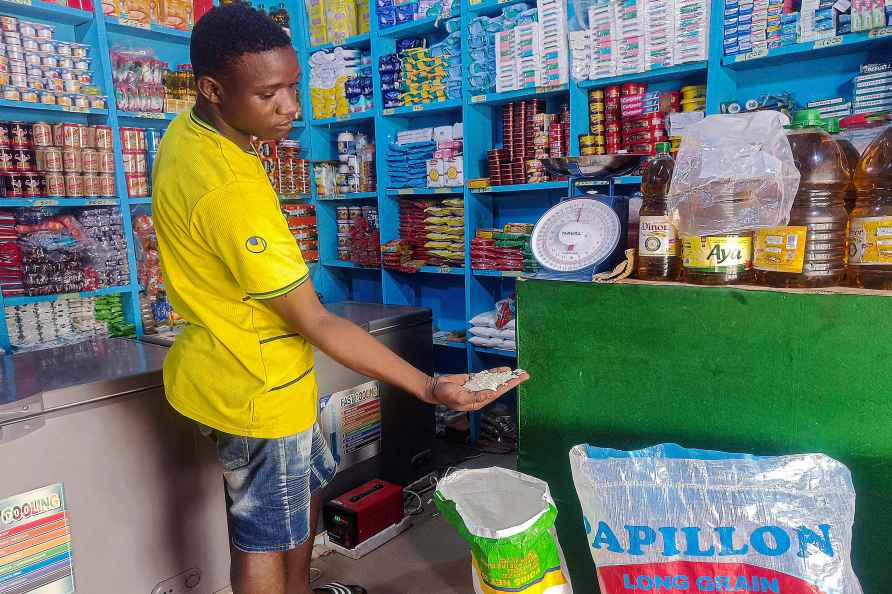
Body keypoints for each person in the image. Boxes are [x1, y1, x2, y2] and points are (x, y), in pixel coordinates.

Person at [151, 5, 528, 594]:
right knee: (261, 538)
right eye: (268, 94)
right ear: (213, 89)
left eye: (292, 86)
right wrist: (431, 388)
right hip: (258, 388)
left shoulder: (187, 131)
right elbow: (317, 321)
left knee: (294, 503)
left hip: (237, 367)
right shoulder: (230, 194)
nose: (291, 108)